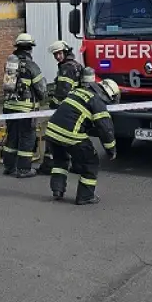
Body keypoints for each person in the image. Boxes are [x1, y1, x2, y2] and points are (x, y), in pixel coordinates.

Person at [45, 70, 120, 205]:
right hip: (70, 134)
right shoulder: (97, 102)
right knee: (91, 162)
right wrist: (111, 150)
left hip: (52, 130)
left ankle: (57, 190)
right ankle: (85, 196)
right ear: (109, 94)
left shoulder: (78, 91)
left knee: (60, 160)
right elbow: (106, 130)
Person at [2, 33, 47, 179]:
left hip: (9, 107)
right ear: (30, 49)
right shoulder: (31, 66)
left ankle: (9, 167)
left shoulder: (10, 64)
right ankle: (23, 169)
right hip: (25, 110)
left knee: (12, 138)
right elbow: (41, 90)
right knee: (27, 138)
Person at [37, 41, 83, 175]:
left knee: (52, 135)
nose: (57, 57)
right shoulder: (76, 65)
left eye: (59, 53)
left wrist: (53, 105)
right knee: (74, 137)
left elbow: (63, 92)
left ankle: (49, 165)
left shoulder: (66, 68)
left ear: (66, 52)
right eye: (55, 54)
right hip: (76, 108)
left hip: (65, 109)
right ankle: (77, 165)